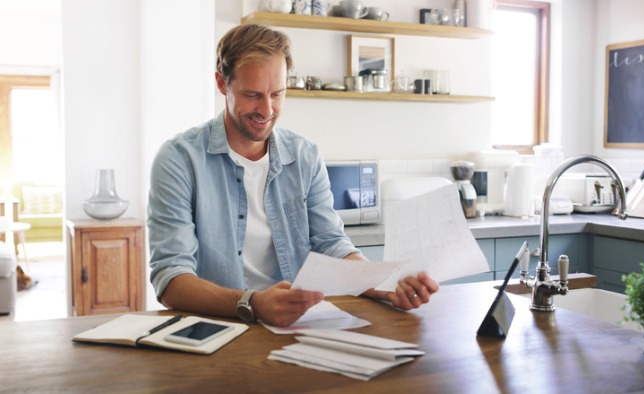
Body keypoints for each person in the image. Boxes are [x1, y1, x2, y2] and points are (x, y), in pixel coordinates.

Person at [147, 24, 439, 327]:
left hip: (295, 326)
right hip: (215, 328)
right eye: (252, 95)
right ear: (222, 83)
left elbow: (331, 245)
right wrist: (253, 303)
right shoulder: (179, 160)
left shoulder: (304, 156)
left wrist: (387, 286)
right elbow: (171, 279)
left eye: (277, 93)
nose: (267, 109)